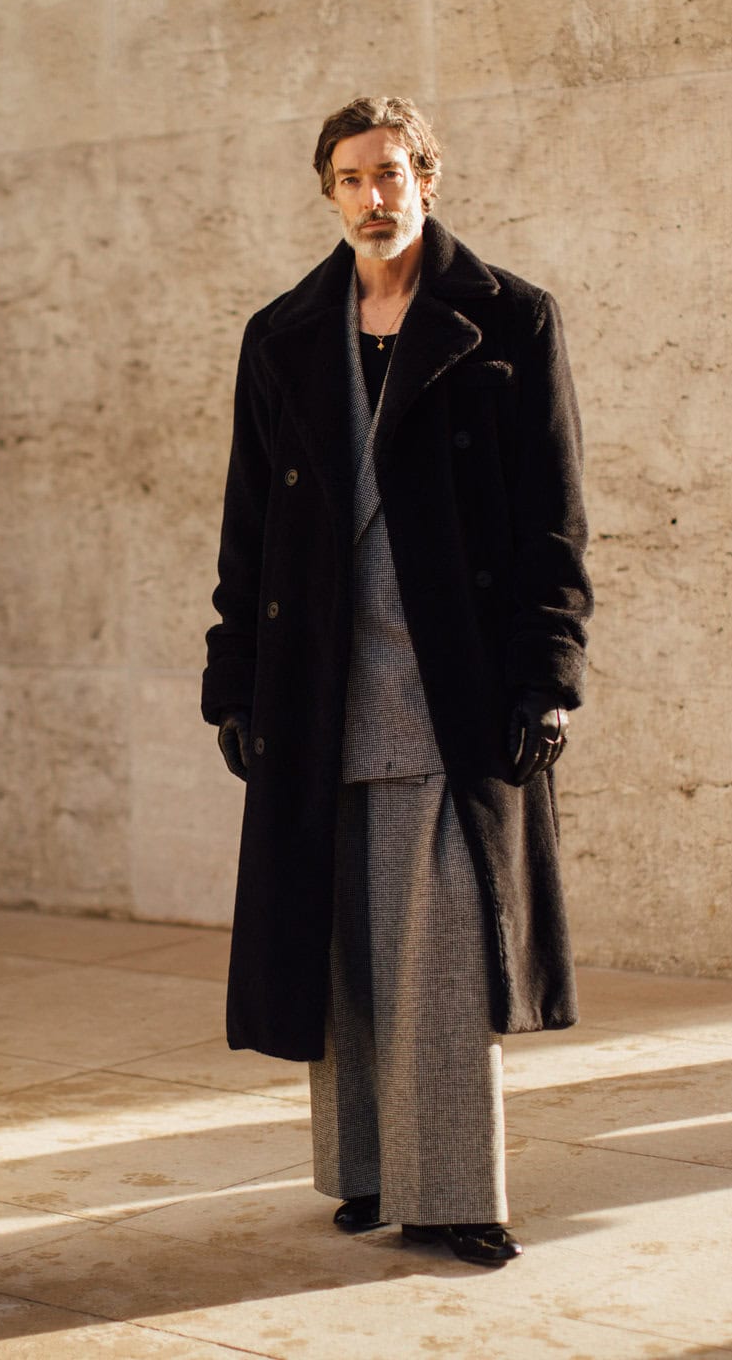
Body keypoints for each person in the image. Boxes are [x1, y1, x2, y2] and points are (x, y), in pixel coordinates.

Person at [201, 95, 590, 1268]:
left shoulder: (510, 317)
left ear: (429, 175)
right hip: (319, 683)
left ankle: (455, 1190)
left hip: (452, 685)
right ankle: (369, 1171)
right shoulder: (282, 335)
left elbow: (555, 521)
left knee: (445, 954)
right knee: (346, 949)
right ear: (329, 192)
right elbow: (248, 525)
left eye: (393, 172)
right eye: (352, 177)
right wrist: (234, 683)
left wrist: (549, 675)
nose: (375, 196)